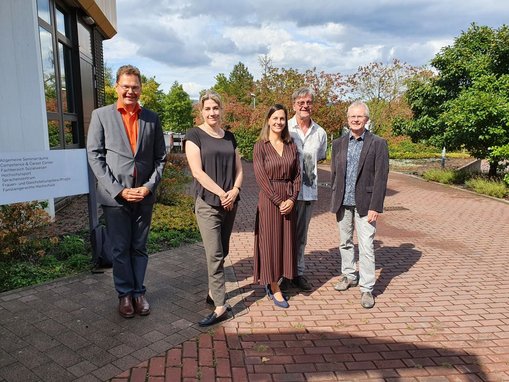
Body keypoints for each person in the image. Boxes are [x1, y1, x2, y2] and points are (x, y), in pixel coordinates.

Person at [87, 65, 166, 318]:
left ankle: (139, 292)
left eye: (135, 87)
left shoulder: (151, 118)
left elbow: (160, 158)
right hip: (115, 197)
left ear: (141, 88)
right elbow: (95, 156)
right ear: (116, 87)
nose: (130, 91)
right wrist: (118, 191)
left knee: (139, 246)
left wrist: (148, 186)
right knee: (120, 248)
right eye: (126, 86)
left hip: (144, 195)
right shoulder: (101, 115)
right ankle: (124, 295)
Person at [184, 91, 243, 326]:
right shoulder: (194, 135)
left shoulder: (230, 137)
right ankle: (220, 306)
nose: (212, 112)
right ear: (201, 111)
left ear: (221, 110)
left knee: (224, 250)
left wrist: (235, 191)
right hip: (209, 203)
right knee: (215, 255)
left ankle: (212, 292)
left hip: (230, 203)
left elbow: (239, 169)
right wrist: (221, 193)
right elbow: (197, 172)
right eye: (207, 108)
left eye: (215, 108)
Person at [330, 101, 389, 309]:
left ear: (366, 119)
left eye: (359, 116)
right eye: (352, 116)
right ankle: (348, 275)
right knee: (345, 242)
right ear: (347, 120)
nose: (355, 120)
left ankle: (366, 288)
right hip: (342, 202)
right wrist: (334, 196)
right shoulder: (338, 143)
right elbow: (335, 174)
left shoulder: (378, 143)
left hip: (366, 204)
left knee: (366, 247)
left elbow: (381, 178)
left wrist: (376, 206)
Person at [253, 104, 301, 308]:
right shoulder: (260, 146)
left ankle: (281, 278)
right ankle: (273, 286)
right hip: (270, 200)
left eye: (282, 118)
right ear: (268, 120)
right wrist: (279, 201)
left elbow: (298, 175)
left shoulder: (291, 145)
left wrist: (291, 199)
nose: (278, 122)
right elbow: (261, 178)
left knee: (286, 242)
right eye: (275, 118)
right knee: (271, 243)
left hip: (288, 199)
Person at [286, 87, 327, 292]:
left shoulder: (320, 133)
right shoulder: (284, 128)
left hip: (308, 191)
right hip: (285, 194)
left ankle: (298, 273)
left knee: (301, 236)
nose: (305, 106)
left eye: (308, 102)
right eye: (300, 102)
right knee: (285, 234)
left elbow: (319, 156)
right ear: (294, 105)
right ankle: (285, 273)